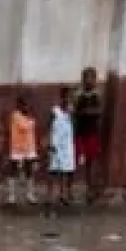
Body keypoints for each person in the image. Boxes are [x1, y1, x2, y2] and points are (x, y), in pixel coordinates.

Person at [73, 67, 104, 203]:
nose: (89, 81)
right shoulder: (79, 94)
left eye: (91, 78)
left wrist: (85, 112)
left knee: (91, 162)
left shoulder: (97, 94)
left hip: (92, 133)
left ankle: (91, 190)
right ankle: (68, 189)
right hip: (80, 132)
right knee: (73, 161)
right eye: (86, 78)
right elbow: (75, 111)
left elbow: (98, 112)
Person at [6, 94, 38, 205]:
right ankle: (11, 195)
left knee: (29, 170)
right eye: (24, 105)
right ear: (19, 105)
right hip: (17, 148)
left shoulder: (29, 116)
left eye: (27, 105)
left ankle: (30, 194)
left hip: (29, 147)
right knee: (13, 170)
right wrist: (31, 121)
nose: (26, 107)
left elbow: (31, 131)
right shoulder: (15, 116)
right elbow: (25, 127)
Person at [47, 87, 76, 206]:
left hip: (67, 144)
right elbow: (49, 126)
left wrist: (71, 114)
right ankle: (50, 194)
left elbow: (74, 126)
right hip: (56, 143)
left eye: (70, 98)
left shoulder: (71, 112)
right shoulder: (55, 111)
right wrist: (49, 142)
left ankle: (63, 194)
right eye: (66, 97)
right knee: (53, 170)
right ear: (62, 97)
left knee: (65, 170)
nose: (68, 100)